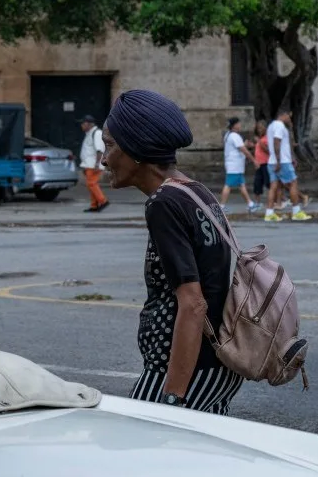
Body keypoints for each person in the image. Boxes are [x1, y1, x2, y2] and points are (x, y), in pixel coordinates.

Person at [100, 89, 245, 414]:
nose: (103, 159)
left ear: (136, 148)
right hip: (220, 364)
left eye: (109, 145)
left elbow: (193, 304)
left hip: (182, 370)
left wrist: (172, 397)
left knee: (141, 454)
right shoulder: (196, 191)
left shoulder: (164, 204)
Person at [263, 109, 310, 222]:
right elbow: (276, 142)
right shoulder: (279, 126)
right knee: (293, 183)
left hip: (272, 161)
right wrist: (279, 161)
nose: (290, 119)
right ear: (283, 115)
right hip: (282, 161)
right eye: (289, 116)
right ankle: (296, 211)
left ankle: (269, 213)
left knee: (273, 186)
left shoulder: (271, 126)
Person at [219, 117, 258, 213]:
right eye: (239, 124)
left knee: (241, 185)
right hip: (234, 165)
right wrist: (254, 160)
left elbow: (238, 147)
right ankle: (221, 206)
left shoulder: (228, 135)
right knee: (228, 185)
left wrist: (244, 144)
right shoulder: (235, 136)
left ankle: (250, 204)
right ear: (235, 125)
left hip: (235, 165)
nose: (240, 125)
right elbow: (243, 150)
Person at [79, 115, 109, 212]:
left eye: (83, 124)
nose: (81, 126)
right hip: (89, 164)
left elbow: (99, 150)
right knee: (91, 184)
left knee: (91, 184)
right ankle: (94, 205)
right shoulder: (90, 133)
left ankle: (103, 201)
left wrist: (97, 164)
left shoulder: (96, 133)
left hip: (93, 165)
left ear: (88, 124)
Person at [251, 121, 271, 206]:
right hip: (259, 164)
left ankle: (273, 202)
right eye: (258, 128)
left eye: (260, 128)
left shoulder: (267, 138)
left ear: (265, 128)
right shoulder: (261, 139)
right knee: (257, 183)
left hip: (266, 164)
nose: (259, 130)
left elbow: (268, 151)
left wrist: (259, 142)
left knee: (268, 183)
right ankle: (257, 202)